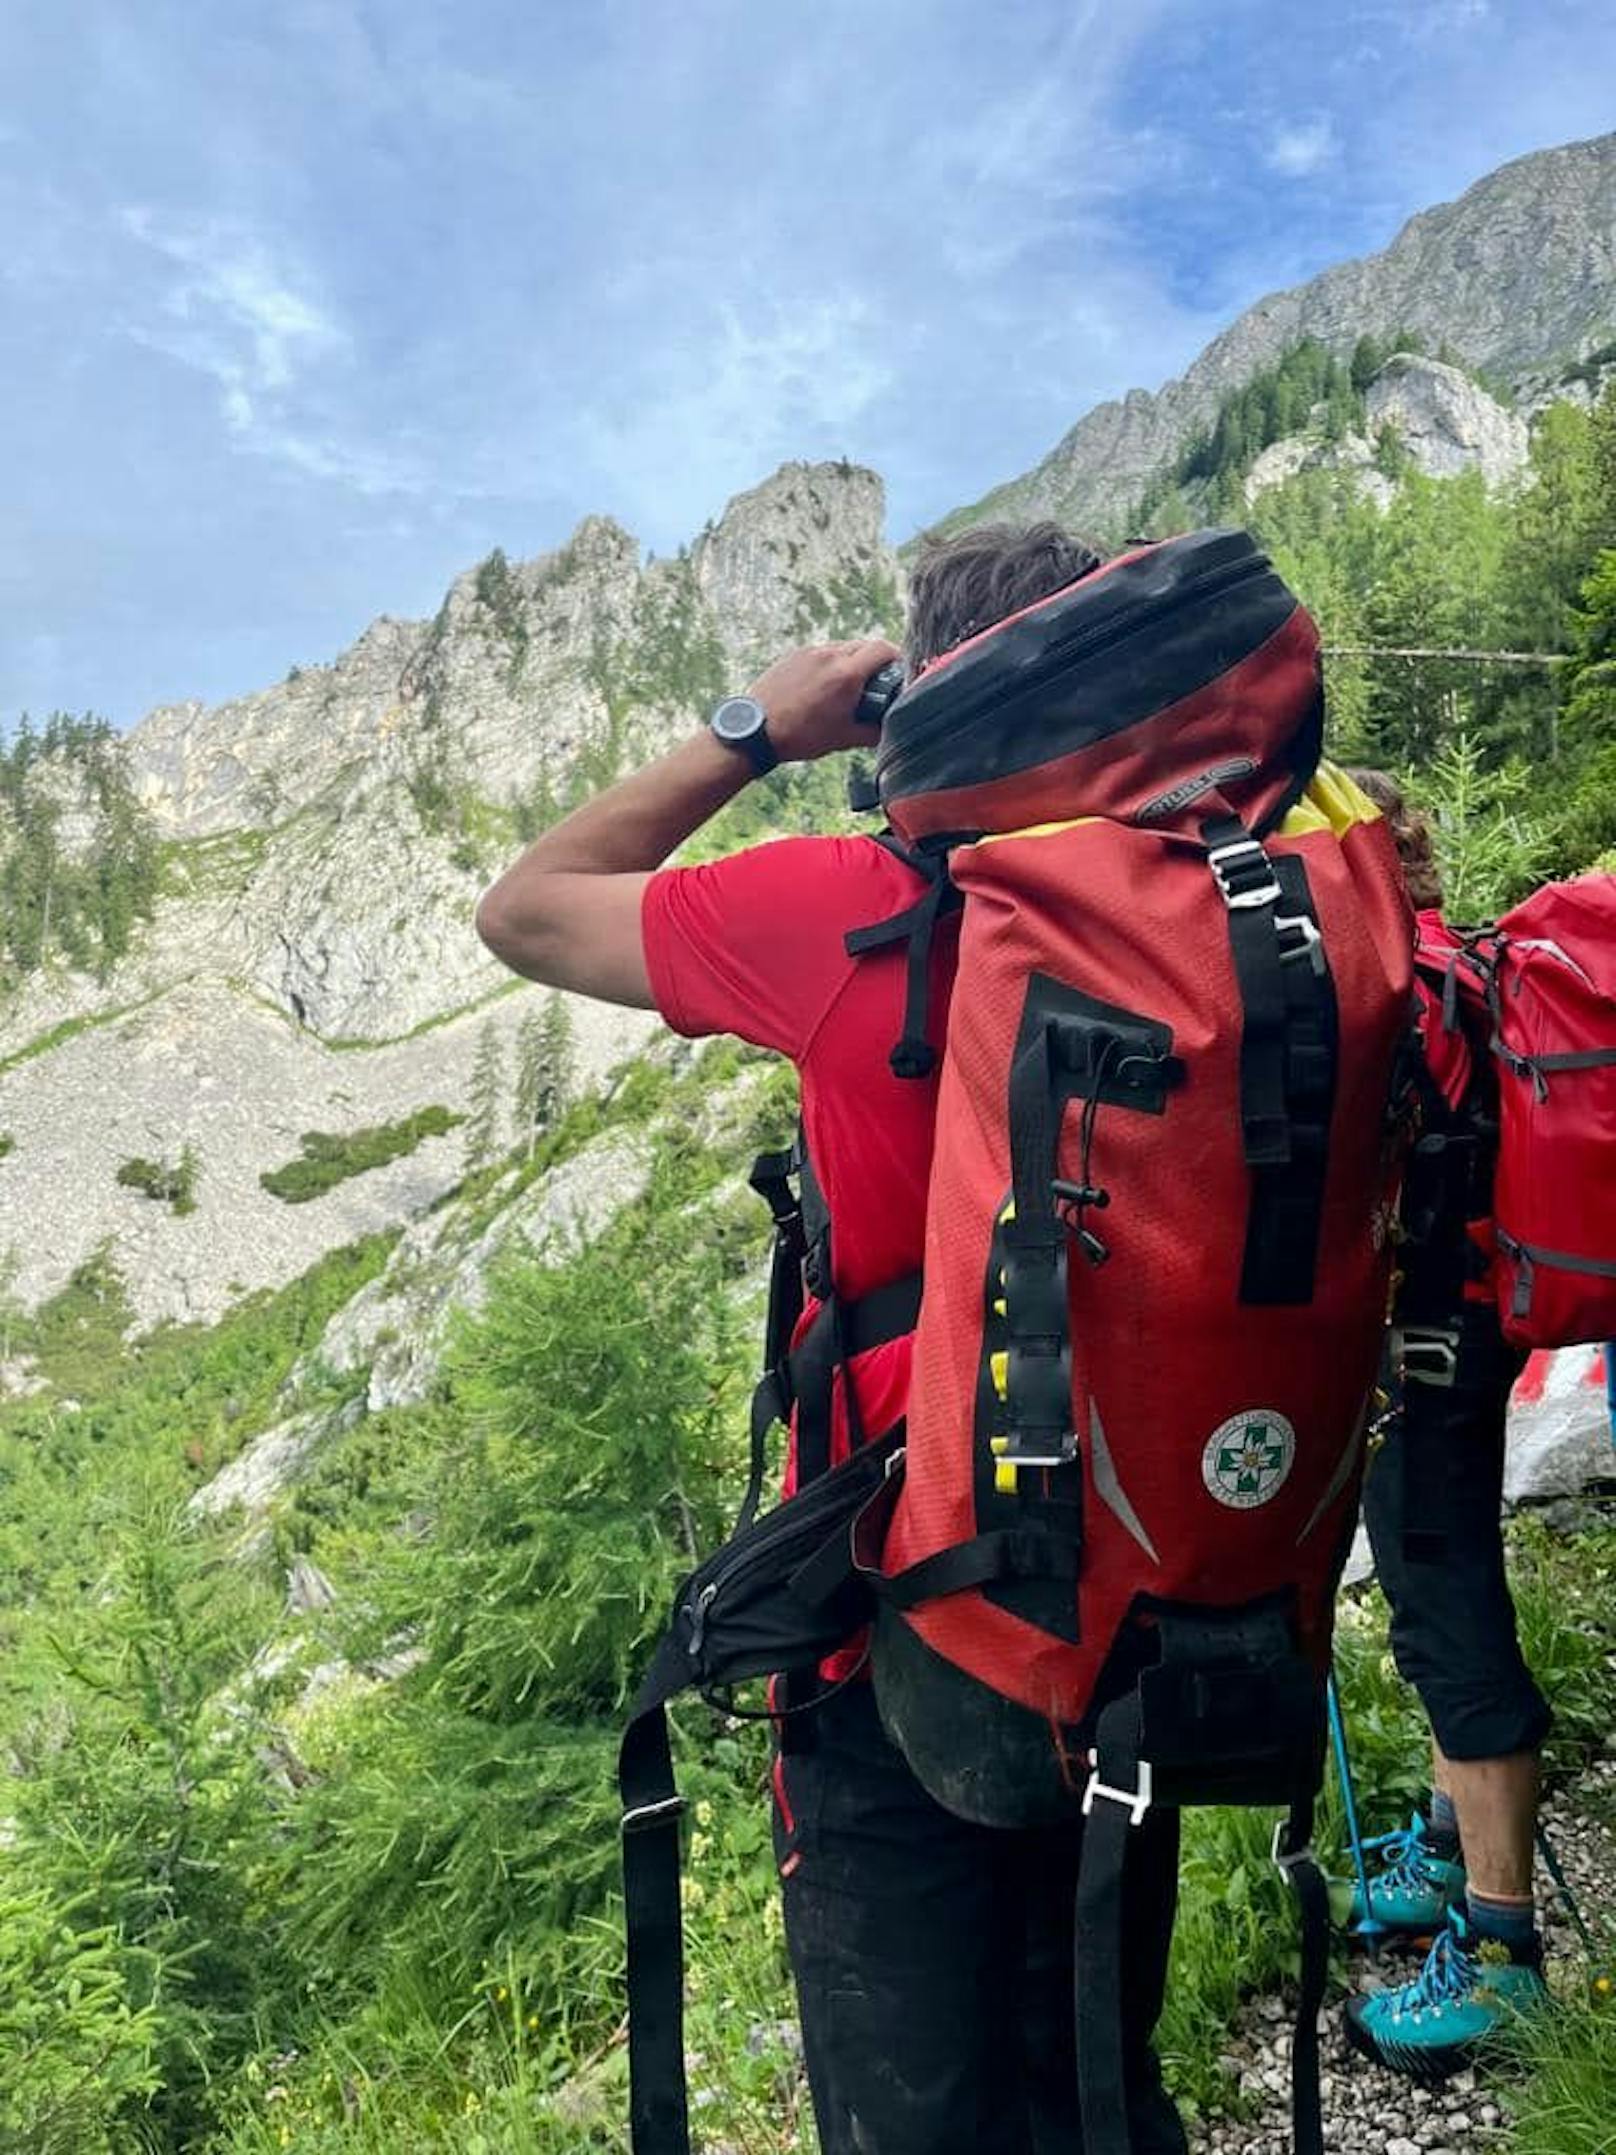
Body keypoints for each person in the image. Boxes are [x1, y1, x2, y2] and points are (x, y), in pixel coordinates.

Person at [475, 523, 1188, 2155]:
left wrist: (758, 726)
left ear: (929, 701)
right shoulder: (1217, 921)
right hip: (1143, 1577)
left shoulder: (845, 905)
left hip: (899, 1590)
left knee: (912, 2097)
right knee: (1095, 2052)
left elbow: (526, 911)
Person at [1342, 770, 1549, 2080]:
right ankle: (1438, 1846)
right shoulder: (1445, 965)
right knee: (1436, 1596)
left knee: (1445, 1606)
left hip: (1426, 1348)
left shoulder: (1390, 993)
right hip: (1461, 1335)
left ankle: (1501, 1958)